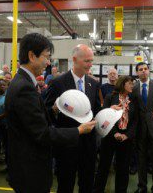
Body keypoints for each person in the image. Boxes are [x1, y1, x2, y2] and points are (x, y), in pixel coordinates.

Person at [4, 33, 96, 193]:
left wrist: (53, 110)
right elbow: (42, 133)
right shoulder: (25, 87)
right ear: (32, 56)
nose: (48, 62)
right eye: (46, 57)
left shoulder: (23, 83)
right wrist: (78, 130)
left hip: (36, 163)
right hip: (32, 167)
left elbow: (35, 118)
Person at [45, 44, 101, 193]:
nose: (90, 65)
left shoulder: (93, 84)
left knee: (87, 184)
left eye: (91, 61)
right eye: (87, 61)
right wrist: (55, 109)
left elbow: (96, 111)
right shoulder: (58, 83)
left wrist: (109, 112)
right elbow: (47, 112)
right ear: (75, 60)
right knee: (65, 184)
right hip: (67, 145)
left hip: (88, 145)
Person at [93, 76, 139, 193]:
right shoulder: (110, 97)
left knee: (123, 169)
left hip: (126, 139)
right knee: (103, 167)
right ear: (123, 84)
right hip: (110, 136)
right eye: (130, 83)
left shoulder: (134, 99)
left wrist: (127, 135)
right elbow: (104, 117)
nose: (132, 86)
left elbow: (135, 120)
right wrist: (114, 133)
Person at [134, 62, 153, 193]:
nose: (143, 71)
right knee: (140, 159)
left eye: (145, 69)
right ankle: (142, 186)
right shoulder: (134, 88)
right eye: (140, 70)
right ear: (137, 73)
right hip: (139, 129)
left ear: (149, 71)